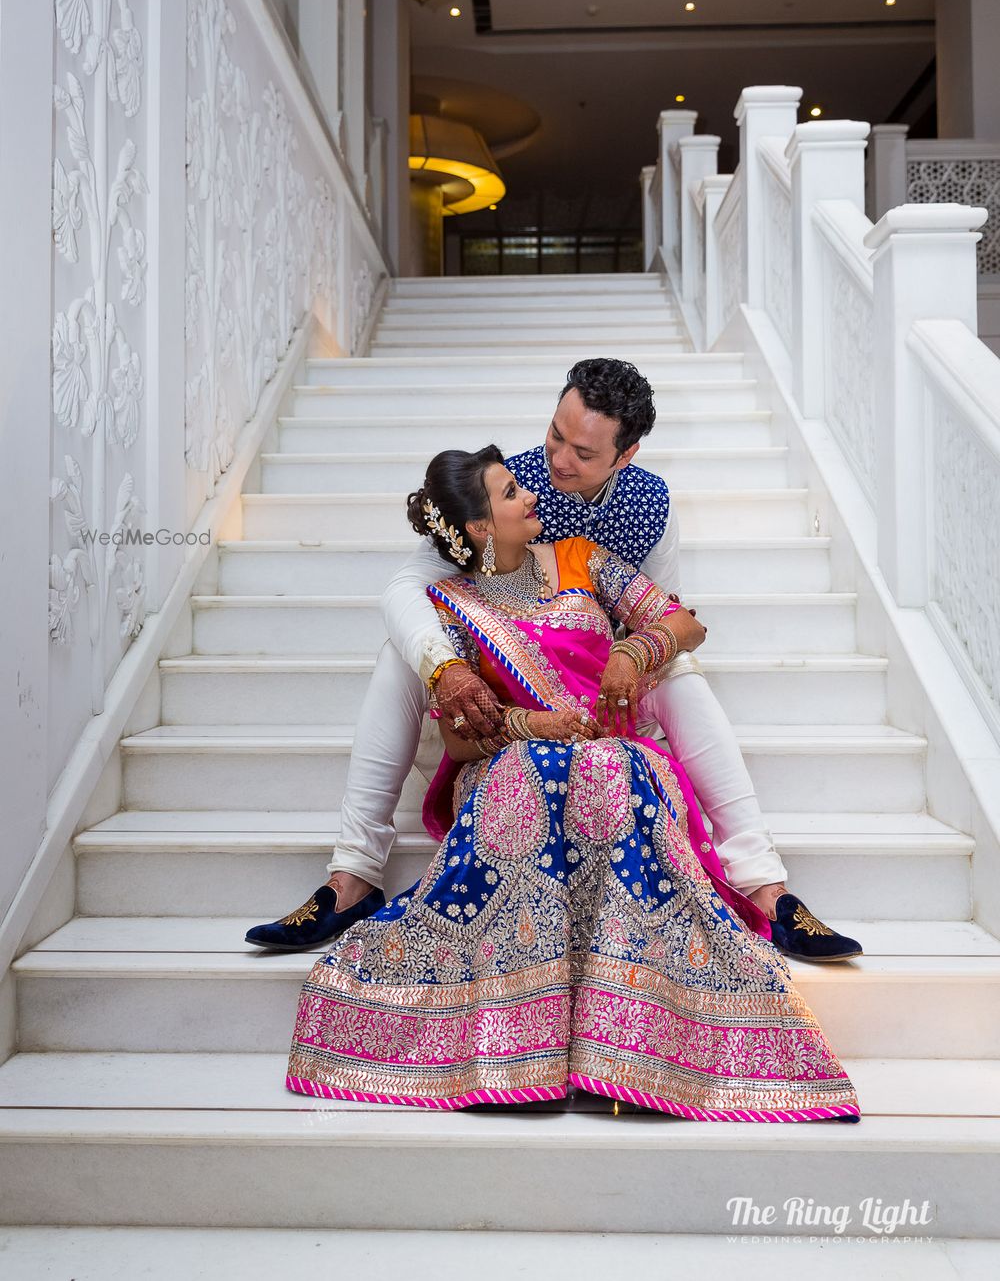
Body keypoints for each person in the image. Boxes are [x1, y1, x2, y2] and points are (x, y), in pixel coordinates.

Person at [284, 447, 860, 1120]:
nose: (529, 494)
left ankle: (636, 1037)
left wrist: (631, 648)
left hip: (611, 747)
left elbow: (684, 621)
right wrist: (535, 727)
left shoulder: (581, 557)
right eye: (508, 494)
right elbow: (463, 738)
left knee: (613, 770)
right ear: (476, 529)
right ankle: (506, 1040)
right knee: (531, 775)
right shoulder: (452, 605)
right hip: (513, 763)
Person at [247, 358, 861, 963]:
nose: (555, 463)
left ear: (627, 454)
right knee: (401, 651)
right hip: (497, 701)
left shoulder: (645, 510)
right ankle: (352, 876)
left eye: (583, 453)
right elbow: (409, 592)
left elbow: (671, 616)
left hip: (601, 685)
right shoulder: (493, 492)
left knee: (677, 671)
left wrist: (631, 649)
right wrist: (453, 672)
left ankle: (766, 887)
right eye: (554, 435)